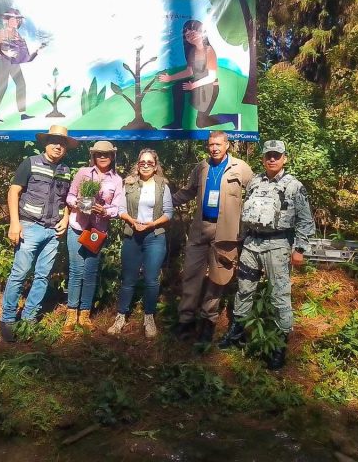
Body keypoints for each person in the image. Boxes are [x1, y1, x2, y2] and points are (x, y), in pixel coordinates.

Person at [218, 140, 315, 370]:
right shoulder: (254, 182)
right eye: (268, 155)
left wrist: (300, 249)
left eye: (276, 155)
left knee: (279, 295)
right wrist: (241, 239)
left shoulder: (294, 186)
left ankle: (279, 345)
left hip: (278, 246)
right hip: (252, 244)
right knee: (244, 289)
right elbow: (246, 212)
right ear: (263, 158)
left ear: (284, 158)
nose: (272, 159)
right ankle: (238, 332)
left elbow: (305, 220)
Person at [0, 125, 78, 343]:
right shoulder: (30, 163)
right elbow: (13, 192)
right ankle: (7, 319)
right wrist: (14, 223)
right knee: (20, 273)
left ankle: (29, 317)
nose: (58, 146)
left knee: (43, 276)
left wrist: (65, 219)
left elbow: (67, 200)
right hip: (29, 227)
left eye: (62, 143)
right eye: (54, 142)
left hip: (53, 232)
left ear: (66, 148)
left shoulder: (66, 170)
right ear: (46, 143)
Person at [171, 130, 253, 342]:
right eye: (211, 145)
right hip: (200, 228)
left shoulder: (240, 168)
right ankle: (186, 320)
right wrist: (164, 202)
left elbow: (255, 193)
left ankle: (208, 320)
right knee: (191, 274)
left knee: (218, 277)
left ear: (227, 145)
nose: (214, 148)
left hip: (226, 231)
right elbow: (188, 191)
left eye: (218, 144)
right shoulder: (201, 167)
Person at [108, 149, 174, 338]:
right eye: (142, 162)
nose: (145, 165)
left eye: (149, 163)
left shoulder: (163, 185)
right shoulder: (128, 184)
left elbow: (168, 212)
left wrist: (152, 224)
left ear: (155, 166)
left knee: (151, 279)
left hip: (155, 236)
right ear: (138, 165)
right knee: (128, 279)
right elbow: (120, 209)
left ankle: (149, 317)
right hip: (132, 235)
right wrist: (132, 221)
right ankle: (121, 316)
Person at [64, 141, 125, 332]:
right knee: (76, 270)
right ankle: (71, 313)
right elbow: (70, 195)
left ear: (112, 156)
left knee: (90, 272)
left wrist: (105, 211)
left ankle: (85, 314)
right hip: (77, 227)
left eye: (106, 154)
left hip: (97, 232)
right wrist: (78, 203)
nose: (102, 157)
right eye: (99, 154)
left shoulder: (117, 180)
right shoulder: (83, 173)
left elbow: (118, 207)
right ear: (93, 156)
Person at [158, 20, 239, 130]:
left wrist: (193, 86)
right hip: (197, 85)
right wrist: (170, 78)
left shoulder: (209, 50)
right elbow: (189, 72)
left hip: (210, 88)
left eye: (192, 33)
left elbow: (211, 77)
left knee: (201, 123)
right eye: (187, 36)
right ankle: (177, 123)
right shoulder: (192, 52)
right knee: (177, 87)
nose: (190, 37)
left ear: (201, 32)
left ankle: (233, 118)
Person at [0, 8, 43, 122]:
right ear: (7, 20)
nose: (16, 21)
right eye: (13, 19)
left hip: (14, 63)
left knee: (21, 84)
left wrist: (36, 52)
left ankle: (22, 114)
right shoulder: (2, 33)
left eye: (17, 19)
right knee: (2, 86)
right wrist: (4, 53)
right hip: (3, 62)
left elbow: (23, 55)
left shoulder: (17, 35)